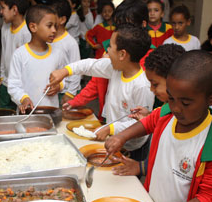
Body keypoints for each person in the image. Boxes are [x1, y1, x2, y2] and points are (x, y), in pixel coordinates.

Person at [105, 50, 212, 202]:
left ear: (211, 99)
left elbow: (209, 198)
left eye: (186, 103)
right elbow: (149, 122)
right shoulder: (167, 113)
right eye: (171, 98)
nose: (175, 108)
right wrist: (122, 136)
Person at [49, 25, 154, 162]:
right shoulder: (115, 69)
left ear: (122, 54)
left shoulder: (142, 86)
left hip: (133, 146)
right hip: (113, 137)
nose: (107, 50)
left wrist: (111, 128)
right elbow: (90, 65)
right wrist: (65, 71)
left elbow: (141, 123)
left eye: (110, 46)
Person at [63, 0, 149, 120]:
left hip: (132, 127)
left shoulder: (150, 59)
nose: (122, 31)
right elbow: (96, 80)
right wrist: (76, 101)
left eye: (128, 26)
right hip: (108, 118)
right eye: (119, 26)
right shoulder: (112, 51)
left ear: (143, 24)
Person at [111, 44, 185, 176]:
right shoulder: (168, 108)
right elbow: (151, 120)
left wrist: (142, 168)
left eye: (155, 84)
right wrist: (121, 137)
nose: (151, 89)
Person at [8, 5, 65, 113]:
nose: (54, 30)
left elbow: (65, 78)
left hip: (51, 113)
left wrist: (59, 86)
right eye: (49, 26)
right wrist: (23, 98)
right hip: (27, 114)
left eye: (55, 26)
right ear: (33, 27)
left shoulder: (58, 54)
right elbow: (13, 85)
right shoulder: (20, 54)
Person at [0, 0, 31, 110]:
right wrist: (2, 77)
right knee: (5, 117)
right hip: (5, 84)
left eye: (3, 8)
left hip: (21, 88)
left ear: (14, 10)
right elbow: (4, 53)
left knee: (20, 118)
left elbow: (29, 64)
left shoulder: (27, 32)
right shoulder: (5, 27)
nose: (1, 12)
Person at [50, 0, 81, 105]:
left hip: (65, 92)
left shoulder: (70, 43)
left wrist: (70, 94)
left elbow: (77, 71)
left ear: (62, 19)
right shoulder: (46, 39)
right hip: (51, 90)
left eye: (51, 15)